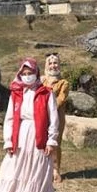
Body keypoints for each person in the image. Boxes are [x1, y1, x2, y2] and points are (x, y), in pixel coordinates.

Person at [0, 59, 60, 192]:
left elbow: (54, 118)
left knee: (40, 177)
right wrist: (8, 140)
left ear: (36, 74)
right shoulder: (17, 94)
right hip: (21, 136)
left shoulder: (46, 93)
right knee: (21, 174)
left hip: (39, 137)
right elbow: (10, 119)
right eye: (24, 74)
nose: (28, 77)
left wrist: (51, 140)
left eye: (31, 74)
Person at [41, 53, 69, 183]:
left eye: (55, 63)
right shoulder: (41, 81)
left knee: (55, 142)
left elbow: (61, 99)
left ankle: (55, 169)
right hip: (41, 116)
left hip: (57, 116)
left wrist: (49, 109)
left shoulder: (63, 82)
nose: (53, 66)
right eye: (50, 63)